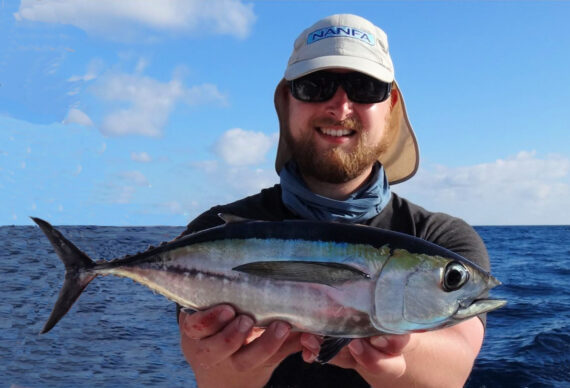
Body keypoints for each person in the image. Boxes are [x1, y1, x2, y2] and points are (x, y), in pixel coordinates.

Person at [177, 14, 489, 388]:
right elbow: (210, 372)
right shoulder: (213, 231)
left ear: (389, 105)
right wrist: (228, 376)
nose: (340, 107)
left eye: (364, 86)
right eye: (315, 86)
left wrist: (396, 358)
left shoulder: (441, 238)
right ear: (287, 102)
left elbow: (453, 368)